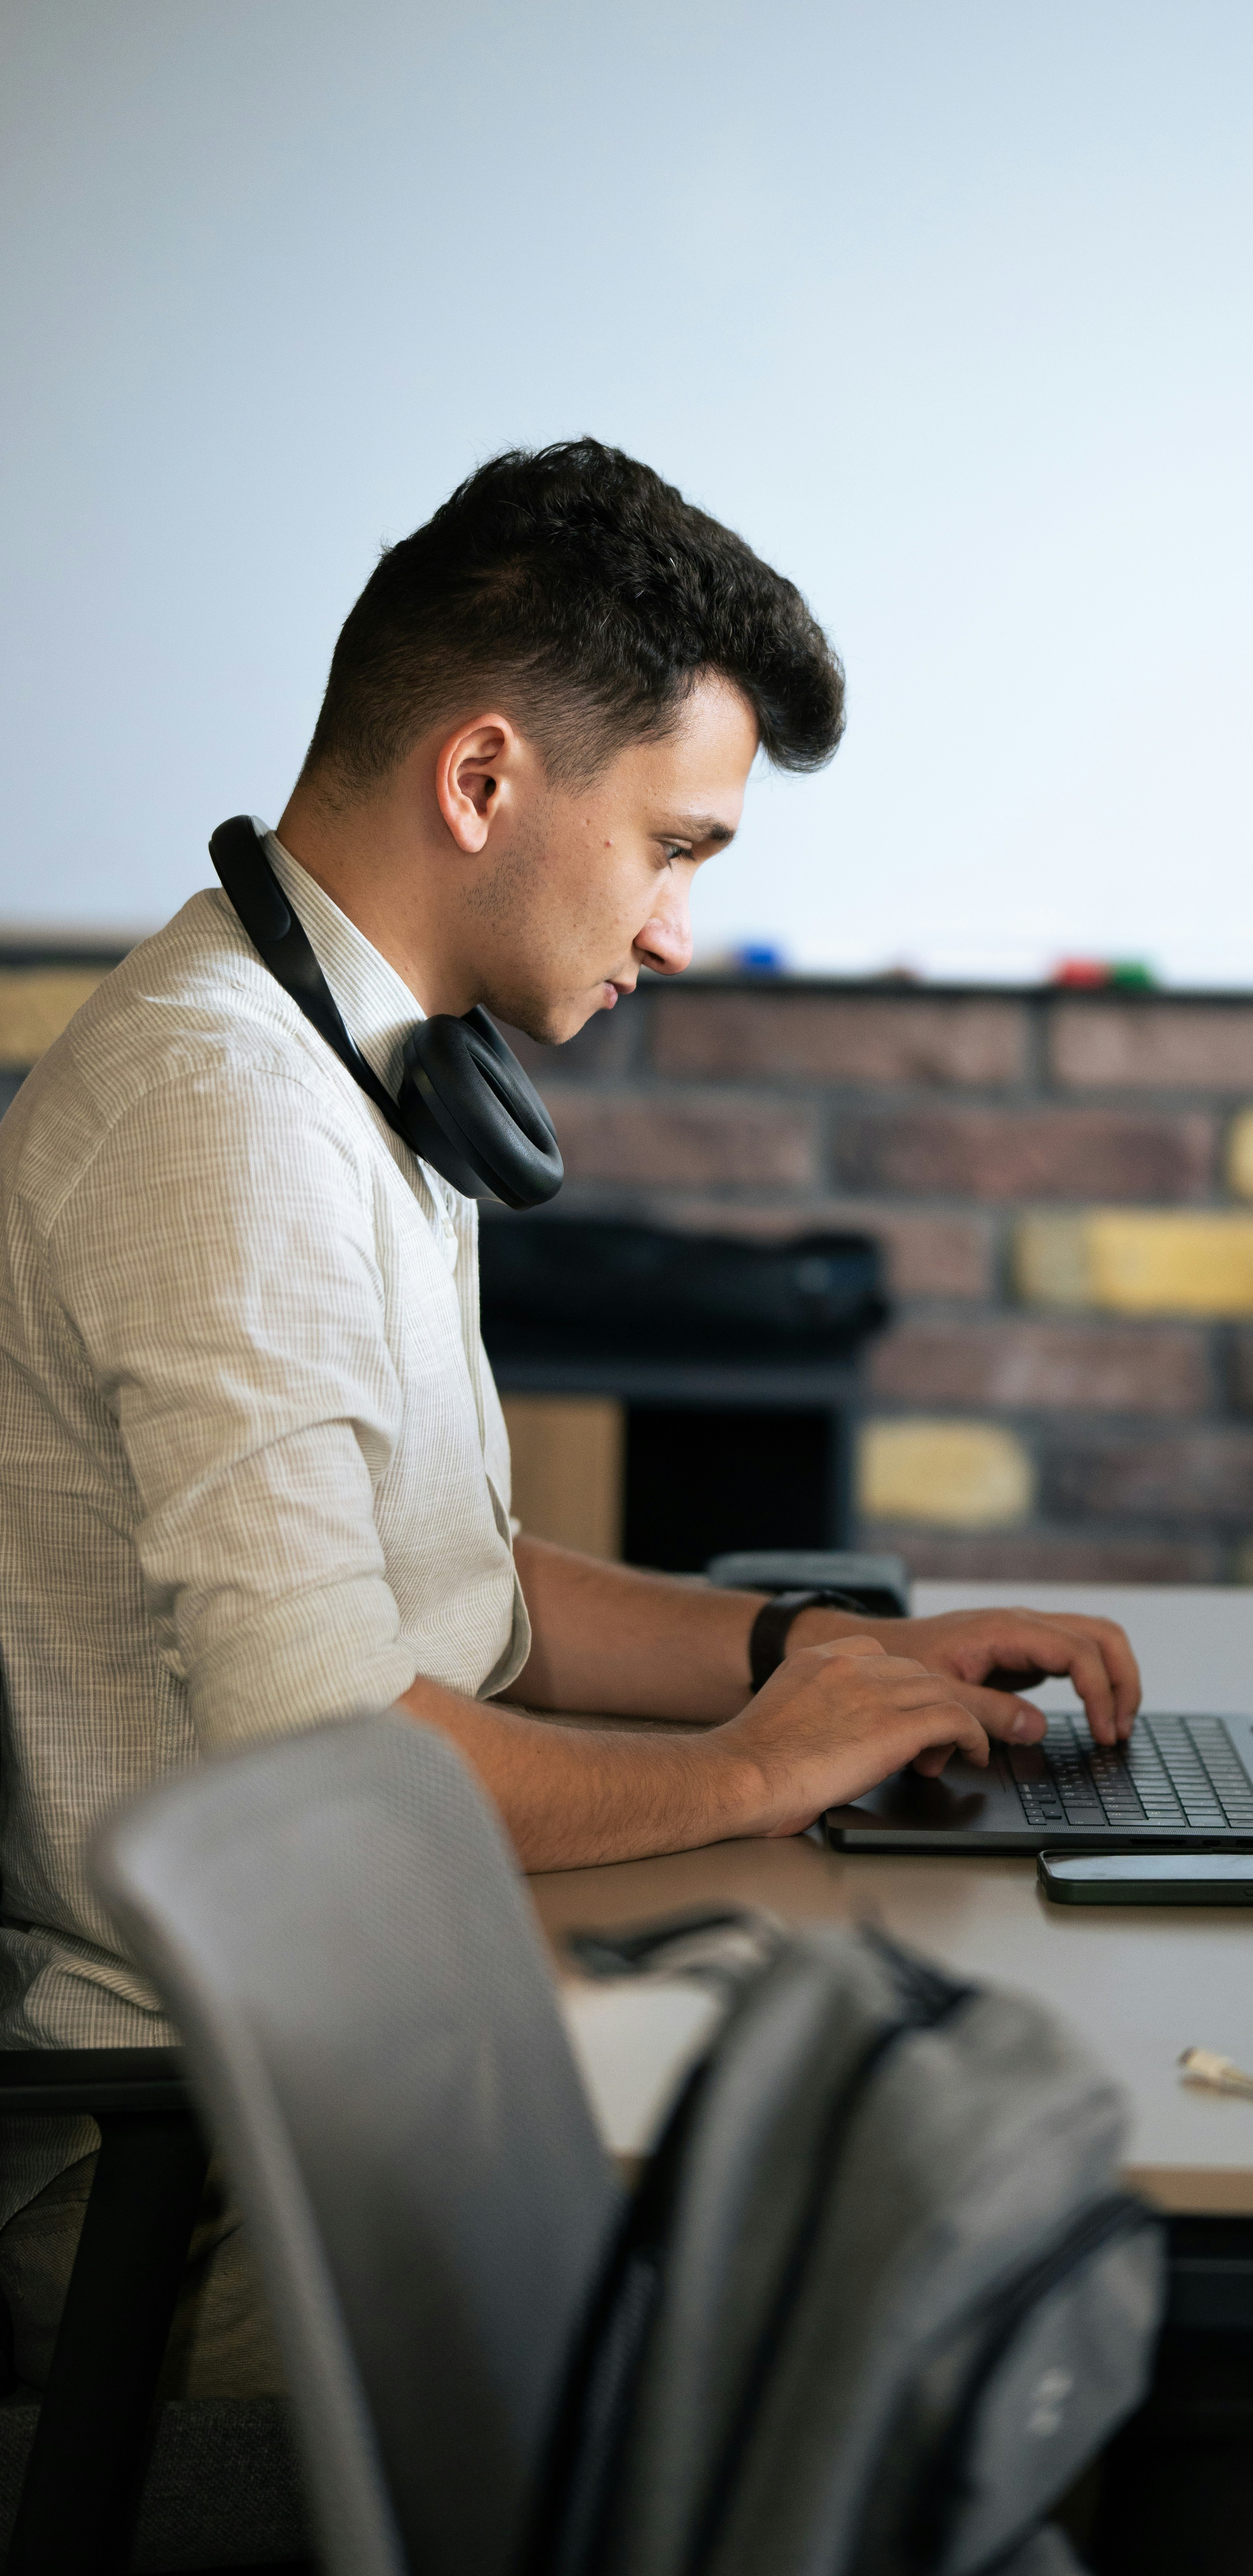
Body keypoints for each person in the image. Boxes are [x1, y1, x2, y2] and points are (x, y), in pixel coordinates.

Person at [0, 440, 1138, 2392]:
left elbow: (458, 1593)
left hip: (348, 2053)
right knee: (924, 2230)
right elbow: (334, 1748)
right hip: (205, 2171)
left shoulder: (356, 1068)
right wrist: (755, 1773)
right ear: (482, 779)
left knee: (914, 2093)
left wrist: (813, 1654)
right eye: (677, 846)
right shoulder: (221, 1113)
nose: (680, 931)